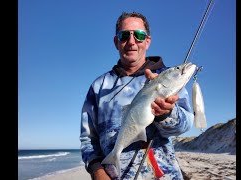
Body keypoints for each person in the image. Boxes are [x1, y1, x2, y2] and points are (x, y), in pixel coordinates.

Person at [80, 11, 194, 180]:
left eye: (139, 35)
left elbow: (185, 126)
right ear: (116, 42)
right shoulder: (99, 86)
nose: (132, 42)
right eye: (124, 35)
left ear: (147, 41)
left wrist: (166, 114)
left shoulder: (165, 77)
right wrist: (97, 170)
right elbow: (87, 136)